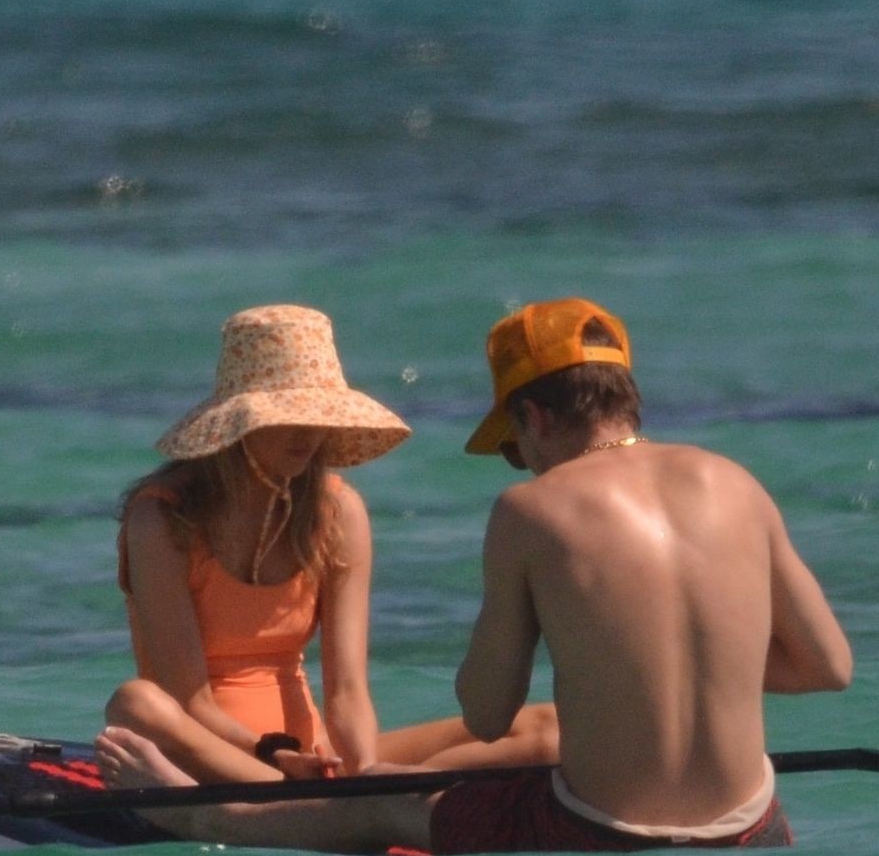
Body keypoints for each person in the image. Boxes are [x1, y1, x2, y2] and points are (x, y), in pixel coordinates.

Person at [95, 297, 852, 854]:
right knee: (140, 703)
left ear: (534, 418)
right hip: (754, 822)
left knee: (440, 778)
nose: (522, 465)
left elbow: (483, 712)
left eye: (513, 447)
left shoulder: (519, 511)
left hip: (587, 826)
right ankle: (253, 802)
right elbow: (829, 666)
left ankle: (259, 812)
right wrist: (679, 664)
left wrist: (355, 768)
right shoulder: (738, 482)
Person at [105, 303, 560, 784]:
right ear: (240, 423)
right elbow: (188, 700)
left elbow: (347, 690)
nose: (310, 432)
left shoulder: (337, 512)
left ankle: (350, 800)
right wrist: (272, 755)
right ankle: (310, 801)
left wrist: (362, 768)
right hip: (210, 753)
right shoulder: (163, 520)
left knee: (546, 728)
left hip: (310, 755)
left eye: (320, 414)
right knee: (137, 703)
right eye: (291, 415)